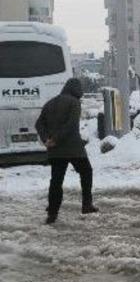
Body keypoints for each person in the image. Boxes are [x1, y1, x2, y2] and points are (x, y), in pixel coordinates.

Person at [35, 78, 98, 225]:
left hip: (55, 150)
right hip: (73, 148)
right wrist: (56, 139)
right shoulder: (74, 102)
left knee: (56, 180)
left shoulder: (50, 103)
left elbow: (38, 123)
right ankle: (86, 204)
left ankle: (52, 213)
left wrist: (47, 140)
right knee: (86, 171)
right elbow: (71, 125)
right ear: (76, 89)